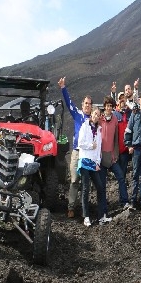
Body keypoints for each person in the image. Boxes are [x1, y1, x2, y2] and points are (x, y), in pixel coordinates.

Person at [58, 76, 91, 218]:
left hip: (88, 154)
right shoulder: (77, 114)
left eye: (90, 104)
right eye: (85, 103)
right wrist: (63, 88)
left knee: (86, 182)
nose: (87, 106)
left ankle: (85, 208)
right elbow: (69, 102)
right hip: (77, 152)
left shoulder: (95, 119)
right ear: (82, 105)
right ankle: (71, 207)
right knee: (74, 180)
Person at [99, 96, 130, 212]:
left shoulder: (115, 121)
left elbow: (116, 140)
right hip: (101, 157)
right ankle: (103, 208)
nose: (108, 108)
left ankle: (124, 201)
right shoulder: (100, 120)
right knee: (102, 184)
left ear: (112, 108)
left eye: (110, 106)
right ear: (104, 107)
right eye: (107, 106)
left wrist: (115, 154)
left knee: (121, 177)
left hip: (112, 156)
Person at [77, 107, 106, 226]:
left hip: (94, 163)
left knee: (100, 187)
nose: (96, 116)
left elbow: (98, 148)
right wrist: (90, 145)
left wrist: (98, 162)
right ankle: (86, 216)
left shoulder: (99, 130)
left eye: (98, 115)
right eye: (95, 114)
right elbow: (80, 143)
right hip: (84, 161)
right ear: (91, 114)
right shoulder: (84, 126)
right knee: (86, 188)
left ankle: (100, 216)